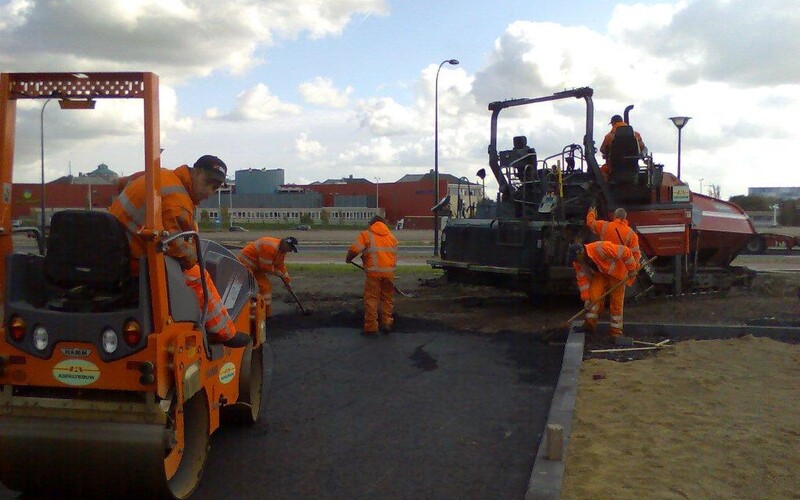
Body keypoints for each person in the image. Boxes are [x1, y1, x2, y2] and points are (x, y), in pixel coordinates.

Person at [110, 155, 249, 348]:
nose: (209, 192)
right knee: (198, 276)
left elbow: (123, 182)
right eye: (208, 183)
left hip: (116, 251)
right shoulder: (177, 201)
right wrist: (193, 257)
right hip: (134, 262)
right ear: (196, 172)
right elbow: (175, 245)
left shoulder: (161, 176)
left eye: (215, 188)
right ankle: (223, 332)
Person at [569, 239, 639, 342]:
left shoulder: (601, 248)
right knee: (593, 297)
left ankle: (616, 332)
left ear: (581, 252)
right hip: (601, 274)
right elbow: (582, 281)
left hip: (617, 274)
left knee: (616, 304)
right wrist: (586, 297)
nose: (575, 261)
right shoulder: (578, 262)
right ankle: (589, 326)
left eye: (576, 258)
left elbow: (626, 252)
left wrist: (632, 269)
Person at [345, 215, 398, 336]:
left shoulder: (366, 235)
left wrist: (349, 259)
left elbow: (354, 249)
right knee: (387, 299)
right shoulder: (392, 238)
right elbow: (393, 257)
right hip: (389, 273)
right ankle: (387, 323)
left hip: (374, 273)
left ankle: (371, 327)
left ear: (371, 224)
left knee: (372, 299)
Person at [237, 236, 298, 318]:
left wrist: (287, 281)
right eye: (290, 248)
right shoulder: (270, 247)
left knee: (265, 288)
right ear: (285, 244)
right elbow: (265, 266)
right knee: (250, 288)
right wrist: (276, 272)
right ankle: (247, 315)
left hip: (256, 268)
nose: (290, 251)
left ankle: (265, 315)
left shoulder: (282, 251)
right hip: (245, 266)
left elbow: (281, 266)